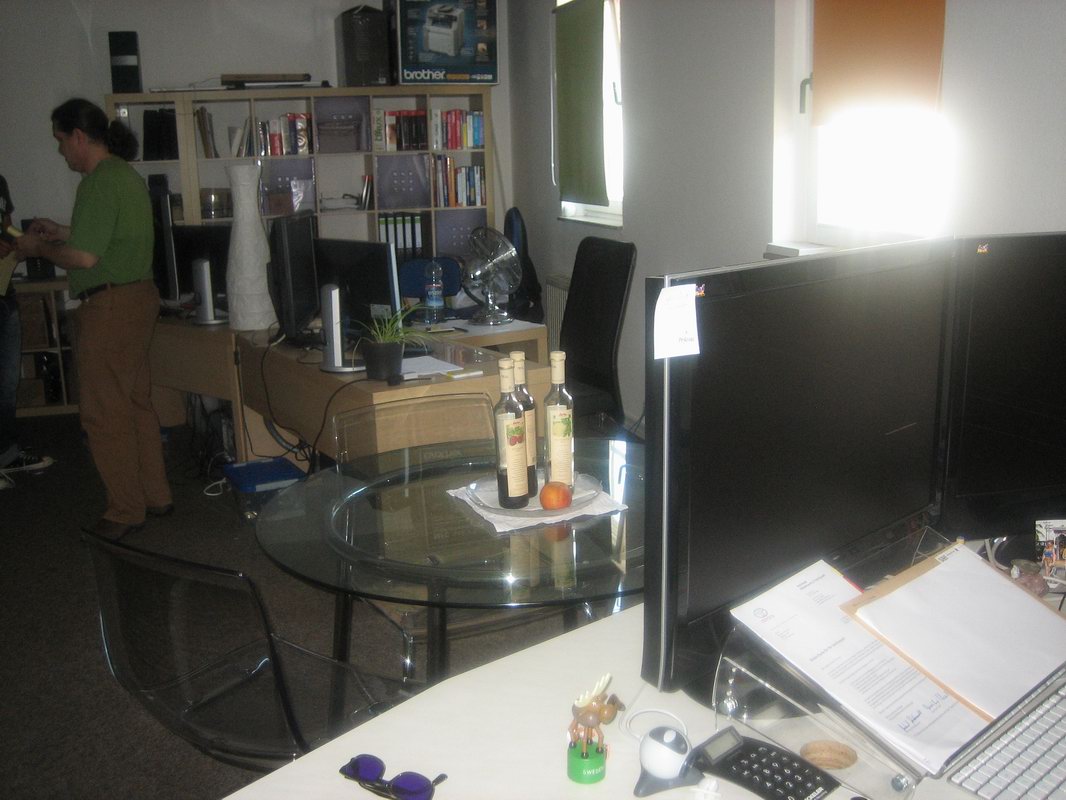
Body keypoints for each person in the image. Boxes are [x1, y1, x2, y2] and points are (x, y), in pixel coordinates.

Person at [15, 99, 171, 536]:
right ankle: (156, 496)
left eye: (60, 140)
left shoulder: (99, 182)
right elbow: (102, 238)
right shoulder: (122, 175)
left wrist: (37, 248)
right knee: (135, 404)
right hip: (137, 299)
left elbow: (84, 257)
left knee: (103, 414)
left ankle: (125, 511)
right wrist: (60, 232)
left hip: (111, 307)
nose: (60, 150)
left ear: (79, 137)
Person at [0, 173, 54, 484]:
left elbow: (5, 223)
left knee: (7, 385)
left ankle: (6, 454)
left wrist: (21, 238)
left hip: (4, 292)